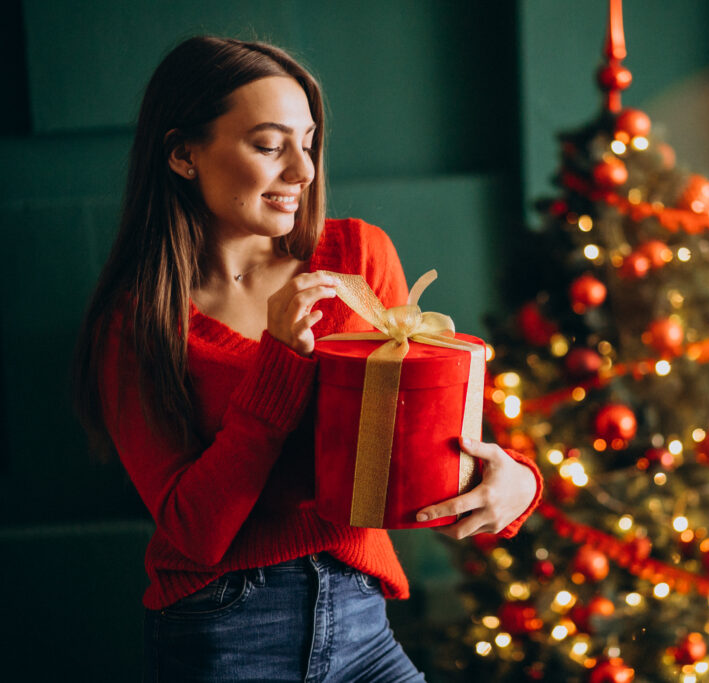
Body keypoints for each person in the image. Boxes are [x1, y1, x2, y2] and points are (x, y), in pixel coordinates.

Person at [72, 36, 541, 682]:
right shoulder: (135, 323)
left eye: (308, 141)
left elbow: (426, 443)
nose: (303, 171)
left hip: (361, 617)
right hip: (225, 629)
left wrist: (516, 483)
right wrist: (280, 359)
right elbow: (194, 532)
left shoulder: (359, 256)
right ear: (183, 153)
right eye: (270, 145)